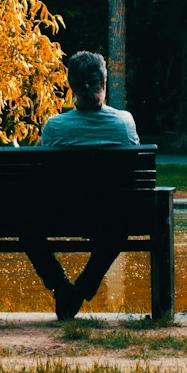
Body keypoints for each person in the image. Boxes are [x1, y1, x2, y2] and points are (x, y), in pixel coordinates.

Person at [28, 51, 140, 320]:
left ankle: (61, 285)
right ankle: (82, 287)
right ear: (104, 80)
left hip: (59, 216)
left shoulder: (54, 128)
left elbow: (36, 172)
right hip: (112, 217)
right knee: (120, 225)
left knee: (25, 224)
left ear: (70, 85)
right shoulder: (124, 123)